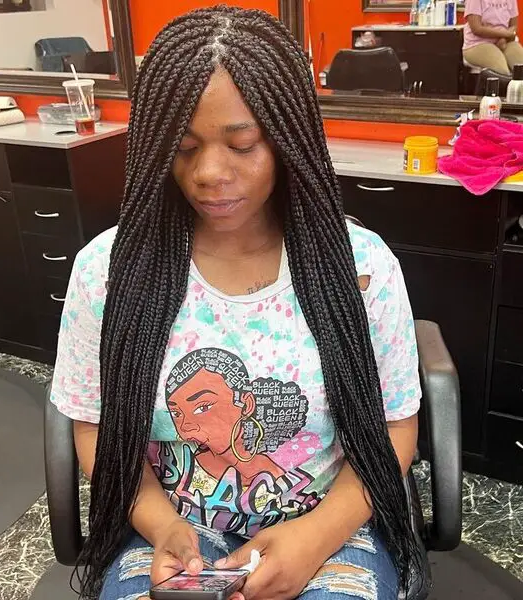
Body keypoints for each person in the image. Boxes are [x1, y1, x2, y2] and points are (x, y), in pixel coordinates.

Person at [50, 6, 423, 600]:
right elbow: (94, 427)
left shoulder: (362, 268)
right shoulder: (109, 271)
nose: (209, 173)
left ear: (287, 140)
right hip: (168, 533)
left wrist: (314, 537)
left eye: (242, 145)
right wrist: (163, 526)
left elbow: (396, 424)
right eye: (184, 147)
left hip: (326, 532)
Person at [463, 0, 523, 76]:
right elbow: (476, 29)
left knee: (520, 66)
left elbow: (513, 26)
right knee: (502, 73)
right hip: (477, 43)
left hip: (506, 41)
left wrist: (503, 39)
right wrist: (504, 34)